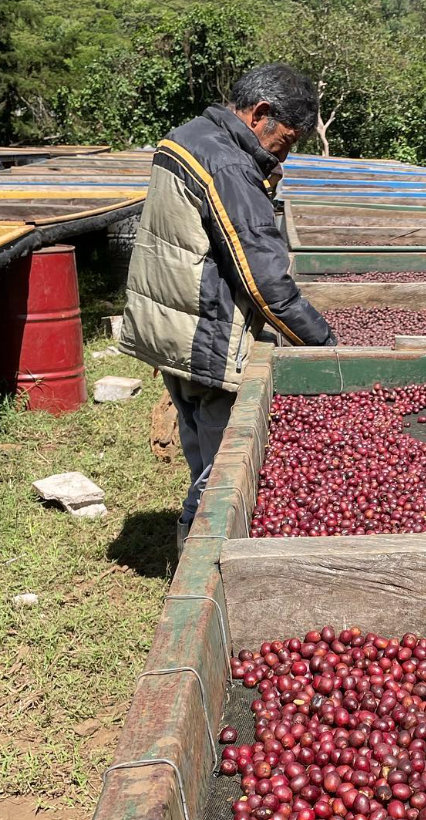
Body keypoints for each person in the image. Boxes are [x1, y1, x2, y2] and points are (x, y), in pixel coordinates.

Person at [119, 63, 336, 551]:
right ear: (261, 113)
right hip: (206, 333)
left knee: (199, 443)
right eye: (287, 138)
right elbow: (266, 282)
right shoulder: (230, 165)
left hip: (171, 321)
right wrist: (326, 346)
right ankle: (201, 560)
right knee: (223, 469)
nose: (285, 151)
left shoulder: (187, 136)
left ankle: (191, 537)